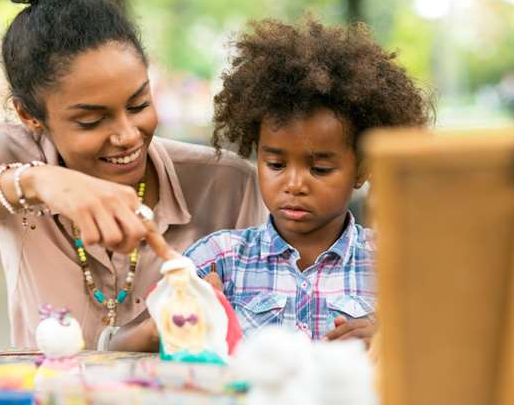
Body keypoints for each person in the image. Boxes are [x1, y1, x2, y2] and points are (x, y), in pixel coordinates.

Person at [0, 0, 266, 350]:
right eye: (91, 120)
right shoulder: (12, 155)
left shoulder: (229, 184)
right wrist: (40, 183)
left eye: (139, 103)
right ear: (28, 115)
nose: (127, 135)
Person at [183, 18, 433, 344]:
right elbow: (147, 344)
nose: (295, 184)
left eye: (319, 169)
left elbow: (440, 351)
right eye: (276, 164)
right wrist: (190, 319)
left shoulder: (393, 262)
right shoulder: (218, 260)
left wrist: (389, 343)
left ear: (361, 170)